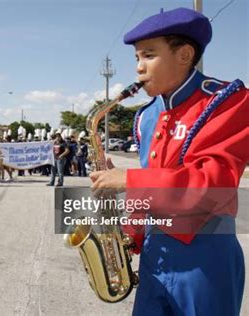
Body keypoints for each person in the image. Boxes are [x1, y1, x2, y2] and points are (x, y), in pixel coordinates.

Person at [90, 8, 248, 316]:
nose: (138, 68)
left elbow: (213, 185)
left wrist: (130, 180)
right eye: (136, 58)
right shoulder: (147, 115)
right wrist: (128, 237)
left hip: (205, 260)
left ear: (185, 54)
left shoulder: (226, 101)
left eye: (148, 55)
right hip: (155, 258)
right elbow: (153, 183)